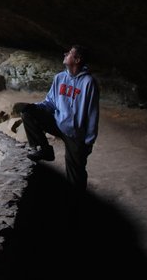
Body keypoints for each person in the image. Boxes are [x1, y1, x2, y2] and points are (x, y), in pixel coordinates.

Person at [21, 45, 100, 191]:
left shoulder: (89, 83)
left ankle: (77, 203)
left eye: (69, 53)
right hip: (58, 122)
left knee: (76, 173)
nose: (65, 54)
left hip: (76, 133)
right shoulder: (59, 78)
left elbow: (93, 114)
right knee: (28, 113)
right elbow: (50, 102)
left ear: (77, 59)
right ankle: (45, 150)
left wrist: (89, 142)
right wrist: (35, 107)